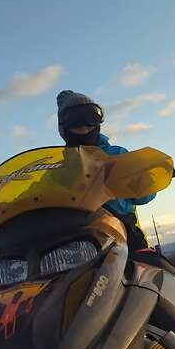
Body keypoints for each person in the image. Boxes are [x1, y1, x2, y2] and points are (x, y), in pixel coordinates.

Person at [56, 90, 154, 251]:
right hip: (73, 245)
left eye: (90, 119)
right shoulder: (58, 170)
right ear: (63, 127)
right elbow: (34, 197)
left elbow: (144, 196)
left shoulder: (117, 155)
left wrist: (141, 180)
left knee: (156, 268)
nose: (85, 128)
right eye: (76, 122)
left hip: (123, 237)